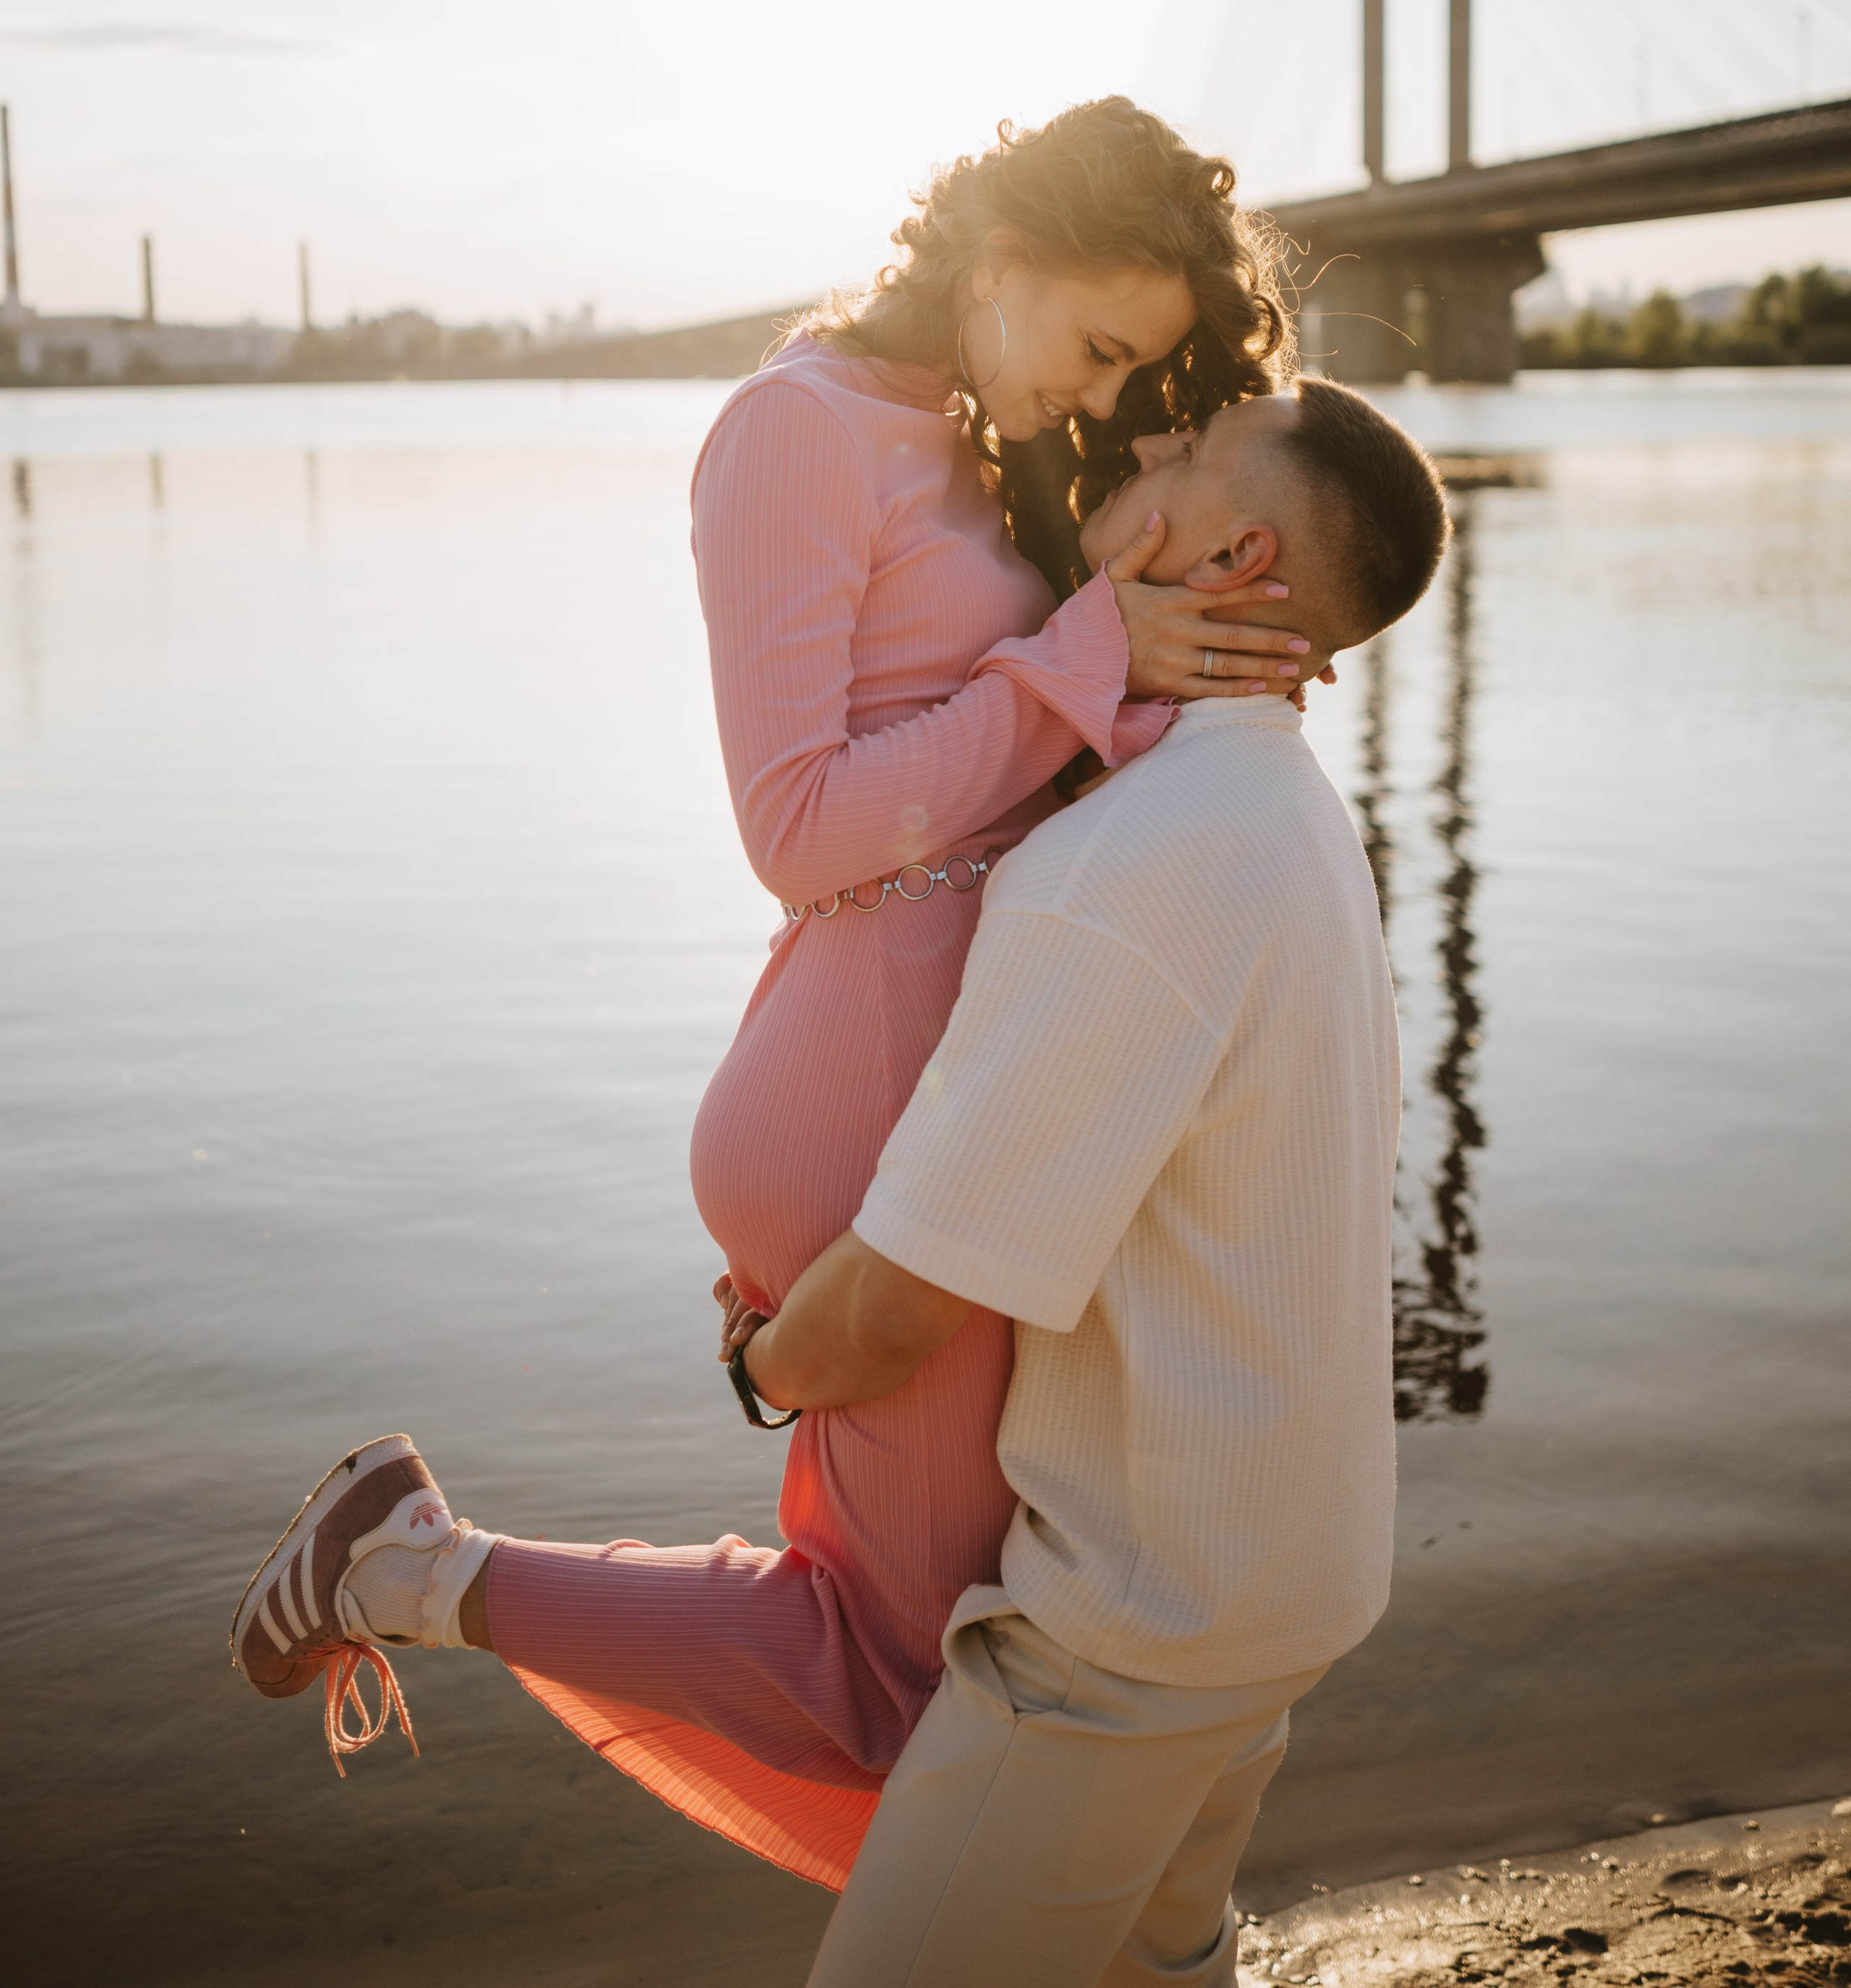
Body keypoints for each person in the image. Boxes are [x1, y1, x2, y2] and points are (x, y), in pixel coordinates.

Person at [231, 98, 1318, 1887]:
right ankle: (403, 1568)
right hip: (868, 1086)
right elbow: (796, 828)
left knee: (962, 1621)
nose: (1100, 389)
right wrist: (1086, 655)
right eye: (1094, 344)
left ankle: (1121, 1937)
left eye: (1133, 366)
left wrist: (1189, 661)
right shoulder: (792, 431)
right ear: (996, 258)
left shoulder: (971, 437)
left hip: (946, 1079)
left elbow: (1025, 740)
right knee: (892, 1670)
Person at [720, 376, 1452, 1984]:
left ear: (1234, 553)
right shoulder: (1286, 811)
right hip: (1284, 1576)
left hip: (1131, 1628)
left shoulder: (1122, 864)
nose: (1146, 439)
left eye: (1187, 449)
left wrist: (759, 1363)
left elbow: (899, 1303)